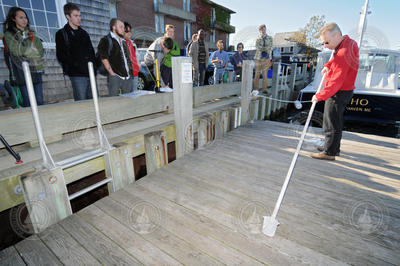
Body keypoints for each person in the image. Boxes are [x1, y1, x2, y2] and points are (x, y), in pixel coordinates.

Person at [311, 23, 359, 161]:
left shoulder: (344, 52)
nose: (325, 46)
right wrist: (328, 66)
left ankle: (330, 152)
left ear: (337, 35)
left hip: (339, 91)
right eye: (323, 43)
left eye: (327, 42)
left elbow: (336, 81)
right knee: (333, 120)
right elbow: (335, 60)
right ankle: (330, 145)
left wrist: (319, 95)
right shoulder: (348, 43)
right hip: (344, 89)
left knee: (331, 121)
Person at [3, 7, 44, 107]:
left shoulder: (32, 33)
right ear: (14, 19)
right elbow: (16, 50)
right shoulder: (9, 34)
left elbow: (40, 51)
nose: (24, 20)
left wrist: (27, 51)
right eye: (21, 17)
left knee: (39, 101)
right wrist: (31, 51)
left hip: (36, 70)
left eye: (25, 17)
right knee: (28, 102)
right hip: (22, 72)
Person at [56, 3, 96, 101]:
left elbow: (91, 52)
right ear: (68, 16)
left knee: (94, 101)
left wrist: (94, 68)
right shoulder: (62, 34)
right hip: (77, 75)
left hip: (90, 73)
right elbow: (61, 55)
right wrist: (75, 65)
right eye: (75, 16)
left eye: (80, 15)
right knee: (81, 103)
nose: (79, 18)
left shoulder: (84, 33)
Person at [98, 18, 133, 96]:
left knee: (128, 103)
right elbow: (103, 57)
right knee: (114, 101)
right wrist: (112, 73)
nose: (123, 29)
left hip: (127, 77)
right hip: (115, 76)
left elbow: (127, 58)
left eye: (123, 27)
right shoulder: (105, 40)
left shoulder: (123, 41)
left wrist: (130, 74)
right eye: (120, 27)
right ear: (114, 27)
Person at [253, 24, 273, 92]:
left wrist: (264, 49)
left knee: (265, 75)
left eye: (264, 29)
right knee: (257, 74)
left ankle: (264, 90)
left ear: (266, 29)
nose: (263, 31)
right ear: (259, 31)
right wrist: (265, 48)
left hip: (266, 59)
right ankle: (256, 89)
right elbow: (257, 47)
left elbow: (271, 47)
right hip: (258, 58)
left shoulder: (270, 38)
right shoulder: (257, 39)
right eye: (262, 30)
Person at [124, 22, 140, 93]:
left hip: (135, 74)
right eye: (127, 31)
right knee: (127, 95)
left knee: (135, 94)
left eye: (130, 31)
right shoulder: (121, 43)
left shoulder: (133, 44)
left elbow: (137, 57)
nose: (129, 33)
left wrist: (138, 67)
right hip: (127, 75)